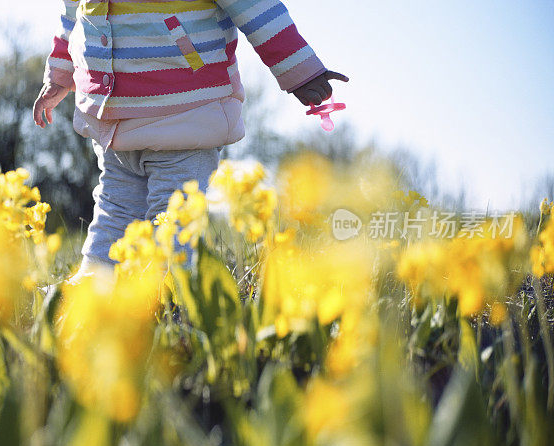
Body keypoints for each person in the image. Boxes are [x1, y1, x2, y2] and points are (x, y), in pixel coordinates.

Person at [33, 0, 347, 282]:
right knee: (115, 210)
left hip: (185, 112)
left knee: (172, 216)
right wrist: (59, 76)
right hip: (112, 116)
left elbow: (256, 6)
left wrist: (301, 72)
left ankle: (170, 295)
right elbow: (75, 16)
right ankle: (94, 287)